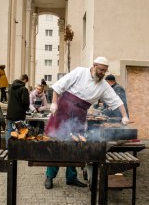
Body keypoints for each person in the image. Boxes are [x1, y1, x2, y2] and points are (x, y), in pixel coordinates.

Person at [44, 57, 130, 189]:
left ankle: (71, 178)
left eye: (105, 71)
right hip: (64, 109)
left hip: (79, 114)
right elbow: (58, 86)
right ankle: (50, 176)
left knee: (75, 144)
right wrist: (54, 103)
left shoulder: (104, 85)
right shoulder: (79, 72)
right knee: (57, 142)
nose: (102, 73)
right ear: (94, 65)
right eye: (101, 70)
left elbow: (117, 100)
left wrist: (124, 116)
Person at [5, 74, 30, 149]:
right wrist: (26, 109)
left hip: (10, 113)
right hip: (19, 114)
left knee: (9, 130)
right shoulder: (23, 89)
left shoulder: (11, 87)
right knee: (20, 131)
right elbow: (25, 102)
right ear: (25, 80)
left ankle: (8, 147)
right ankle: (18, 148)